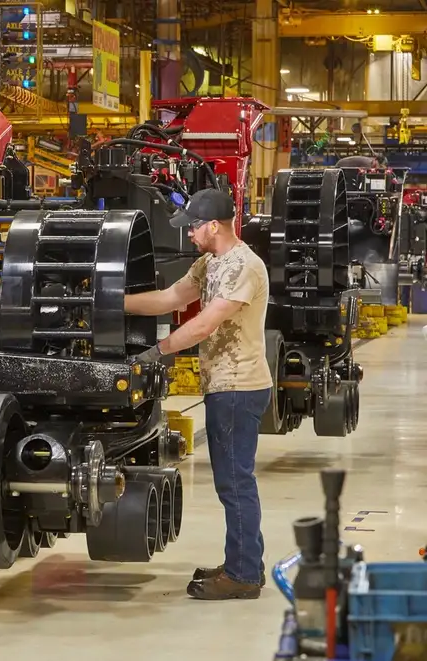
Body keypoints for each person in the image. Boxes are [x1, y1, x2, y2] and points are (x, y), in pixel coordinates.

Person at [124, 187, 272, 601]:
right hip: (223, 385)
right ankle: (245, 563)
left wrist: (159, 351)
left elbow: (205, 324)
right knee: (234, 480)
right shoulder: (210, 263)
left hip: (238, 386)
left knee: (234, 482)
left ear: (213, 225)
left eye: (192, 227)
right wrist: (116, 304)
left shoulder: (245, 265)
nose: (188, 235)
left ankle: (242, 576)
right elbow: (171, 298)